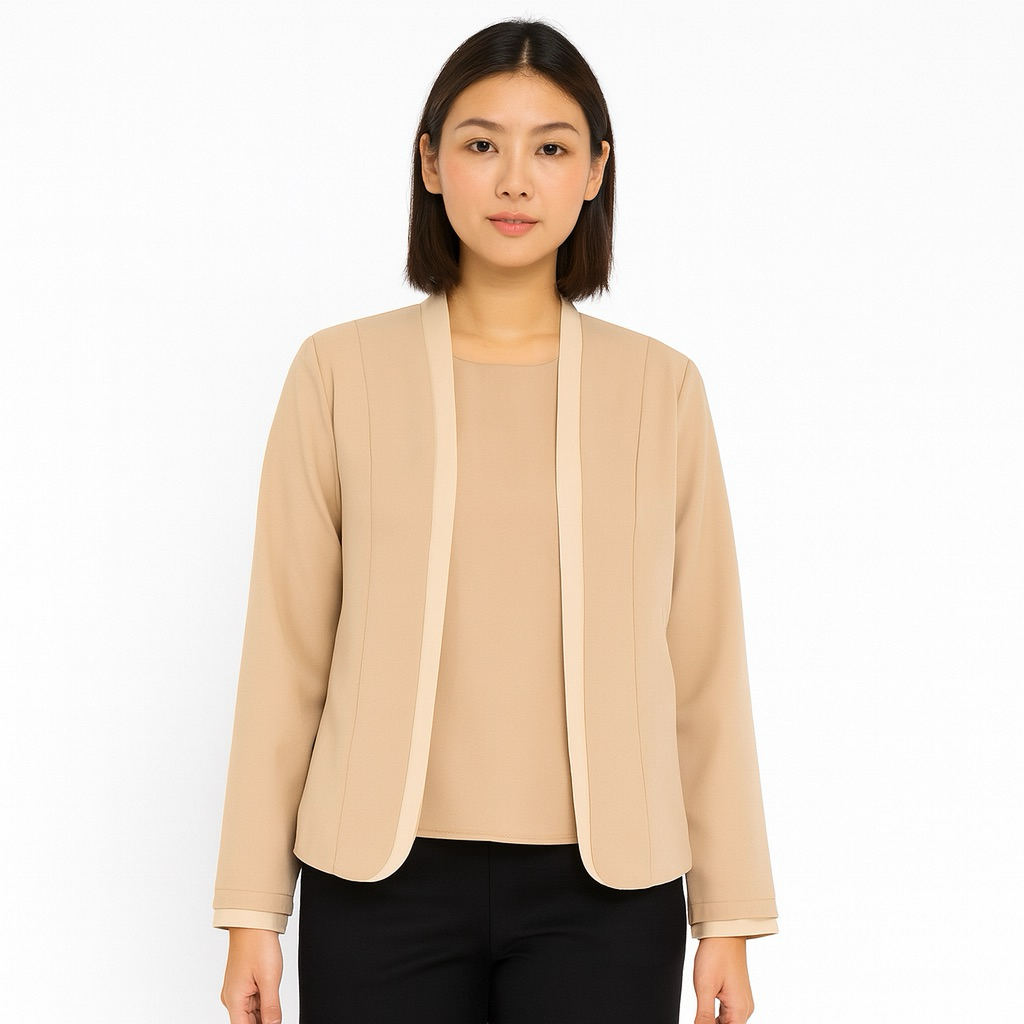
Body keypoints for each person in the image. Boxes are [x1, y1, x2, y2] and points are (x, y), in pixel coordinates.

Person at [213, 17, 778, 1024]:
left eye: (550, 148)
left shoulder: (660, 389)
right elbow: (287, 651)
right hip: (376, 885)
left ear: (596, 171)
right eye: (482, 144)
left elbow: (703, 662)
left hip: (608, 896)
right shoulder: (339, 372)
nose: (515, 180)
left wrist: (727, 915)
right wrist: (253, 907)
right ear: (431, 163)